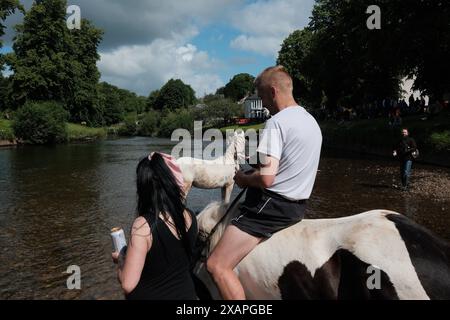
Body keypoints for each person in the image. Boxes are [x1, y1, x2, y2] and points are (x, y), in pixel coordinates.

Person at [206, 66, 323, 300]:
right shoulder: (310, 121)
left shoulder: (276, 122)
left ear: (272, 91)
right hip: (298, 205)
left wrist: (243, 179)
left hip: (271, 207)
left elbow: (268, 179)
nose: (262, 103)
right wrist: (257, 166)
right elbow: (288, 165)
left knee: (216, 265)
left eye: (260, 96)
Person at [111, 152, 198, 300]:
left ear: (143, 188)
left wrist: (120, 259)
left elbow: (128, 284)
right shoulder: (189, 216)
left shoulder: (143, 225)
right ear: (171, 181)